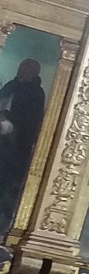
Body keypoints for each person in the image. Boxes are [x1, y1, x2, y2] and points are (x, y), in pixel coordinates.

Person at [0, 56, 46, 227]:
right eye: (21, 67)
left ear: (34, 73)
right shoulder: (10, 86)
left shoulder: (36, 93)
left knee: (7, 185)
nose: (22, 70)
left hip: (17, 147)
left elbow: (31, 121)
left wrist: (10, 123)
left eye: (26, 68)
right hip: (3, 142)